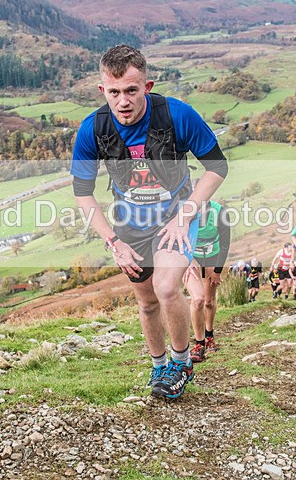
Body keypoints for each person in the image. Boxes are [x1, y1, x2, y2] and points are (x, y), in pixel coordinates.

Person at [70, 44, 228, 400]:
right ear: (102, 90)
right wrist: (113, 242)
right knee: (146, 303)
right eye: (114, 92)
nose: (123, 101)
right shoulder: (92, 129)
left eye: (131, 90)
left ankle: (181, 362)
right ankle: (159, 367)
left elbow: (217, 167)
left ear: (147, 86)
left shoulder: (178, 115)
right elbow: (83, 193)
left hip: (177, 215)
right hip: (129, 226)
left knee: (168, 287)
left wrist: (185, 213)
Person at [184, 200, 232, 363]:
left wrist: (217, 272)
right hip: (191, 258)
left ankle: (209, 335)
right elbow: (177, 236)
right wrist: (188, 261)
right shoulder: (184, 210)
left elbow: (225, 245)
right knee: (197, 300)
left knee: (209, 301)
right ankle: (199, 344)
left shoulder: (220, 213)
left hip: (212, 256)